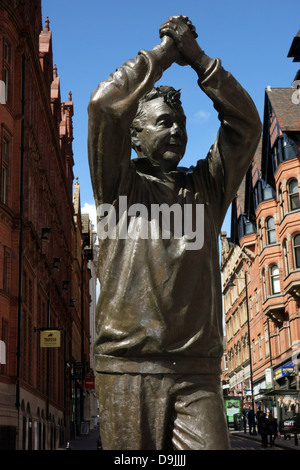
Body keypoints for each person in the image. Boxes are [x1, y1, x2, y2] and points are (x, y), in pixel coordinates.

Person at [88, 15, 261, 450]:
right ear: (134, 135)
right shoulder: (117, 188)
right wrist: (166, 52)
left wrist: (199, 60)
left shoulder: (207, 188)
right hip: (128, 369)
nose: (177, 131)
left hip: (196, 371)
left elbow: (246, 128)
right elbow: (104, 106)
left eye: (181, 123)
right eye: (163, 122)